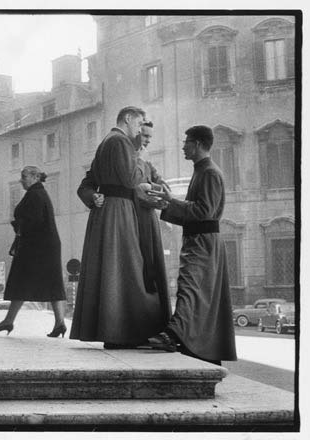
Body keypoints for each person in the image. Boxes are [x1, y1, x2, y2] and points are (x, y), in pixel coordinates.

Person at [70, 106, 163, 349]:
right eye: (139, 122)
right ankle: (124, 333)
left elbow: (86, 183)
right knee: (126, 270)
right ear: (128, 119)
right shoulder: (121, 142)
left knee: (111, 272)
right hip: (120, 212)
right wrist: (145, 183)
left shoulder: (105, 143)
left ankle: (114, 332)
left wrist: (93, 197)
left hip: (105, 212)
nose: (139, 128)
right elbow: (130, 179)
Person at [146, 125, 237, 365]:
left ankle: (172, 334)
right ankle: (189, 343)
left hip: (202, 242)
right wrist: (167, 205)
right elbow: (197, 210)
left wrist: (170, 203)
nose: (183, 146)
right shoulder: (203, 170)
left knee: (190, 287)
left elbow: (204, 211)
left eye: (186, 142)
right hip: (200, 241)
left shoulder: (208, 172)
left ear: (197, 144)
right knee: (197, 293)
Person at [0, 166, 67, 337]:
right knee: (51, 284)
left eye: (24, 176)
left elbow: (33, 221)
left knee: (21, 282)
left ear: (35, 177)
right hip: (44, 246)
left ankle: (9, 321)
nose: (21, 180)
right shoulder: (38, 193)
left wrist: (19, 225)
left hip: (36, 247)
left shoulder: (35, 194)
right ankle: (59, 323)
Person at [133, 121, 172, 323]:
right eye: (144, 135)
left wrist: (156, 186)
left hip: (147, 218)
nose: (147, 140)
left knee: (150, 267)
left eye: (150, 137)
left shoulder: (145, 157)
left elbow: (159, 181)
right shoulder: (127, 154)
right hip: (131, 216)